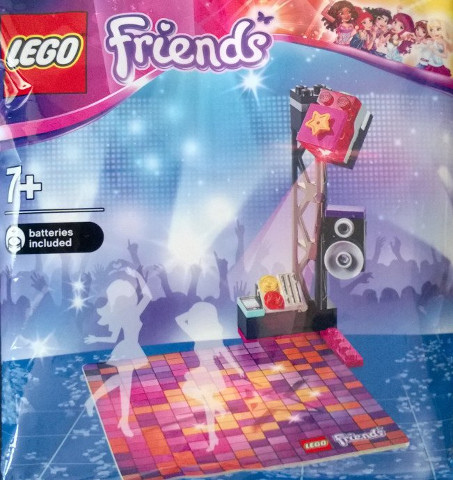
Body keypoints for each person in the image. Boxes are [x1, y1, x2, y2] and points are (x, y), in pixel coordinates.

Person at [84, 267, 151, 437]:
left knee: (120, 382)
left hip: (132, 349)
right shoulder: (123, 314)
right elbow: (113, 338)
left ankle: (92, 400)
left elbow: (147, 296)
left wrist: (137, 275)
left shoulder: (134, 311)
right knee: (126, 386)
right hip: (126, 351)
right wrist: (95, 338)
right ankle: (124, 421)